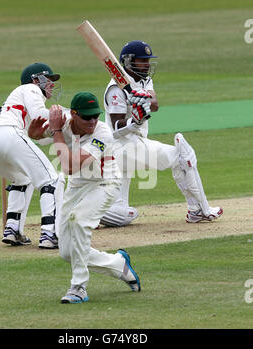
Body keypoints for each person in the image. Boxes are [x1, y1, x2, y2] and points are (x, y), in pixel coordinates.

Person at [28, 92, 141, 304]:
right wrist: (35, 134)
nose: (92, 121)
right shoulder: (64, 125)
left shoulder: (103, 133)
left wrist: (57, 131)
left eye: (95, 116)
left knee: (79, 221)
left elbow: (69, 166)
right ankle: (119, 265)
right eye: (86, 117)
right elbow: (41, 134)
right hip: (78, 185)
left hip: (105, 183)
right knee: (67, 252)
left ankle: (78, 287)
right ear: (73, 114)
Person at [100, 40, 223, 227]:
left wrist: (143, 98)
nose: (147, 65)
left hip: (133, 144)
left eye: (148, 60)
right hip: (122, 147)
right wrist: (135, 120)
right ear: (128, 62)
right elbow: (116, 128)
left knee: (122, 212)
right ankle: (198, 210)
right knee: (181, 155)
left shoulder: (143, 79)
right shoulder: (116, 89)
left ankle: (91, 212)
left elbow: (154, 103)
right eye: (143, 61)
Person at [0, 62, 62, 249]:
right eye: (48, 80)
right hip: (8, 135)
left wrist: (59, 132)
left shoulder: (21, 99)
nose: (51, 84)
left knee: (22, 178)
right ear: (35, 80)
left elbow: (40, 138)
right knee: (50, 179)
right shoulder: (30, 89)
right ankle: (50, 233)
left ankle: (12, 229)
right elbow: (42, 115)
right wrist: (68, 118)